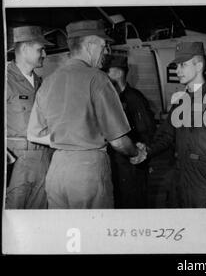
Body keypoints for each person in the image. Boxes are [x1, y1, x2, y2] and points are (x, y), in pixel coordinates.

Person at [27, 20, 147, 209]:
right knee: (92, 233)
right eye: (103, 45)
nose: (106, 51)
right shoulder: (97, 78)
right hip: (87, 170)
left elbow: (33, 134)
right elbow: (118, 141)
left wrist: (68, 138)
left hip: (57, 170)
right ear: (90, 45)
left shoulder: (49, 81)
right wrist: (137, 153)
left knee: (64, 234)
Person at [147, 42, 206, 208]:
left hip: (204, 180)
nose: (177, 71)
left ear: (199, 66)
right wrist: (146, 152)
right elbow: (166, 136)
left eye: (183, 65)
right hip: (179, 177)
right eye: (177, 66)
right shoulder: (179, 103)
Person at [6, 26, 54, 209]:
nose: (45, 54)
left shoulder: (42, 84)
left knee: (39, 218)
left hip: (44, 158)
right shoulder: (6, 80)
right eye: (40, 49)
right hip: (16, 162)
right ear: (25, 49)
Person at [103, 54, 156, 208]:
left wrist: (143, 154)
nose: (104, 75)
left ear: (119, 73)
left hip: (132, 166)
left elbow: (147, 132)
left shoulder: (135, 98)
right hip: (116, 165)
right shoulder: (111, 97)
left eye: (107, 71)